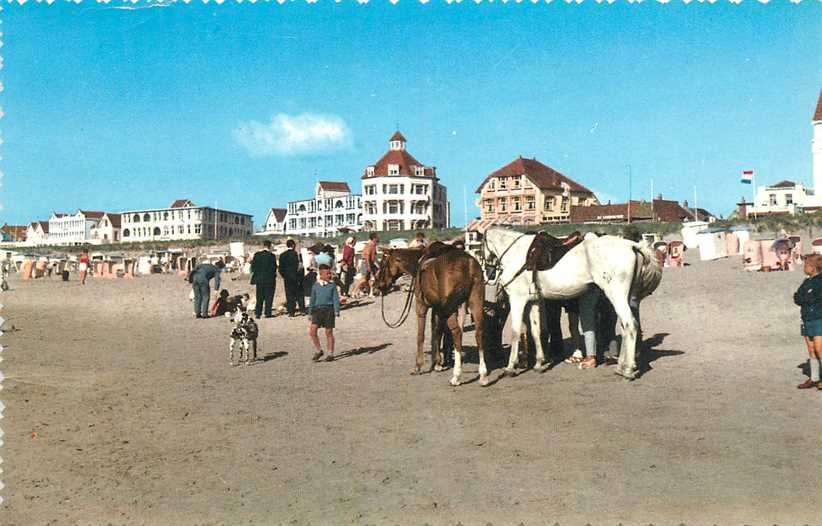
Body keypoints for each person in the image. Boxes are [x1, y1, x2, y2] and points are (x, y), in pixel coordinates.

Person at [794, 253, 822, 390]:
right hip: (806, 317)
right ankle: (815, 378)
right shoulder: (806, 281)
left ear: (813, 267)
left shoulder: (820, 281)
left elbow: (813, 298)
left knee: (819, 349)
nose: (804, 268)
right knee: (811, 349)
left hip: (818, 317)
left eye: (806, 265)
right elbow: (797, 297)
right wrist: (806, 298)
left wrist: (806, 299)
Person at [308, 263, 341, 362]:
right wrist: (310, 312)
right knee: (312, 331)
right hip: (317, 310)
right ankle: (319, 350)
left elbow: (335, 299)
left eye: (330, 273)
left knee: (328, 332)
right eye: (328, 274)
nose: (330, 275)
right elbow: (312, 300)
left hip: (329, 310)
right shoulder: (315, 286)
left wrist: (337, 310)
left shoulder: (332, 286)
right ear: (321, 274)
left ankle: (330, 353)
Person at [250, 240, 278, 319]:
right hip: (269, 279)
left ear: (263, 246)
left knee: (259, 296)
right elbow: (274, 267)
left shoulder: (257, 255)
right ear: (269, 246)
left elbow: (253, 267)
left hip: (259, 279)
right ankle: (267, 313)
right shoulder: (271, 256)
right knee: (269, 296)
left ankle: (258, 313)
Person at [278, 239, 305, 317]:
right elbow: (301, 267)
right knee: (299, 294)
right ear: (293, 245)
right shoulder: (297, 254)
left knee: (289, 295)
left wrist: (285, 276)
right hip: (297, 277)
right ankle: (302, 310)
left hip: (287, 278)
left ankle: (291, 312)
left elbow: (280, 268)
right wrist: (301, 277)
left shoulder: (282, 255)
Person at [362, 233, 380, 298]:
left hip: (370, 263)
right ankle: (355, 291)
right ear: (374, 238)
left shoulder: (374, 245)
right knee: (364, 279)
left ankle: (370, 292)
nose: (378, 239)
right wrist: (368, 266)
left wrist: (378, 264)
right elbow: (367, 256)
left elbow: (374, 257)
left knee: (371, 278)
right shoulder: (370, 245)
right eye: (377, 237)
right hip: (367, 263)